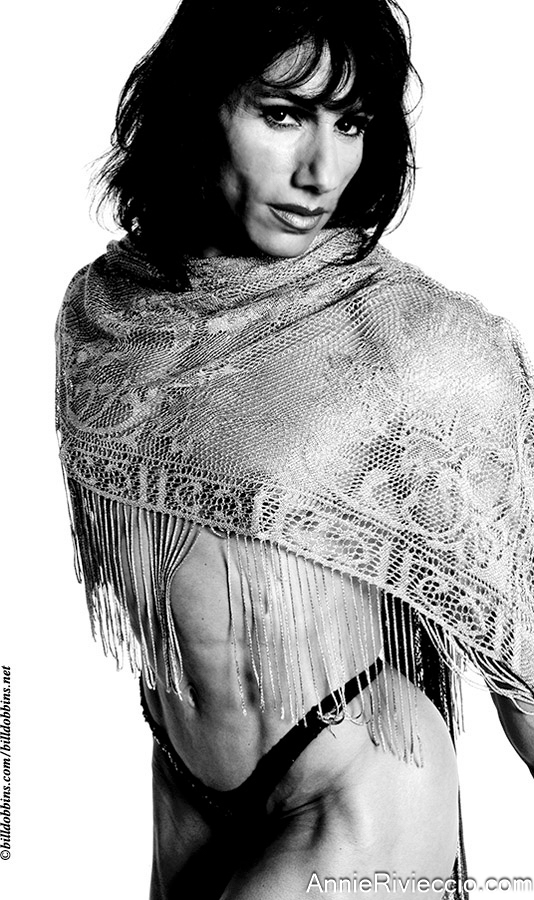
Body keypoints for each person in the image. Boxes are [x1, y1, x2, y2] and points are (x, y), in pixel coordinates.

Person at [55, 1, 534, 897]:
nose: (321, 171)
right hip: (183, 785)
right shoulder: (104, 313)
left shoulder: (411, 341)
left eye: (351, 124)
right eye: (283, 115)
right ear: (197, 107)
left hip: (356, 777)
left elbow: (520, 643)